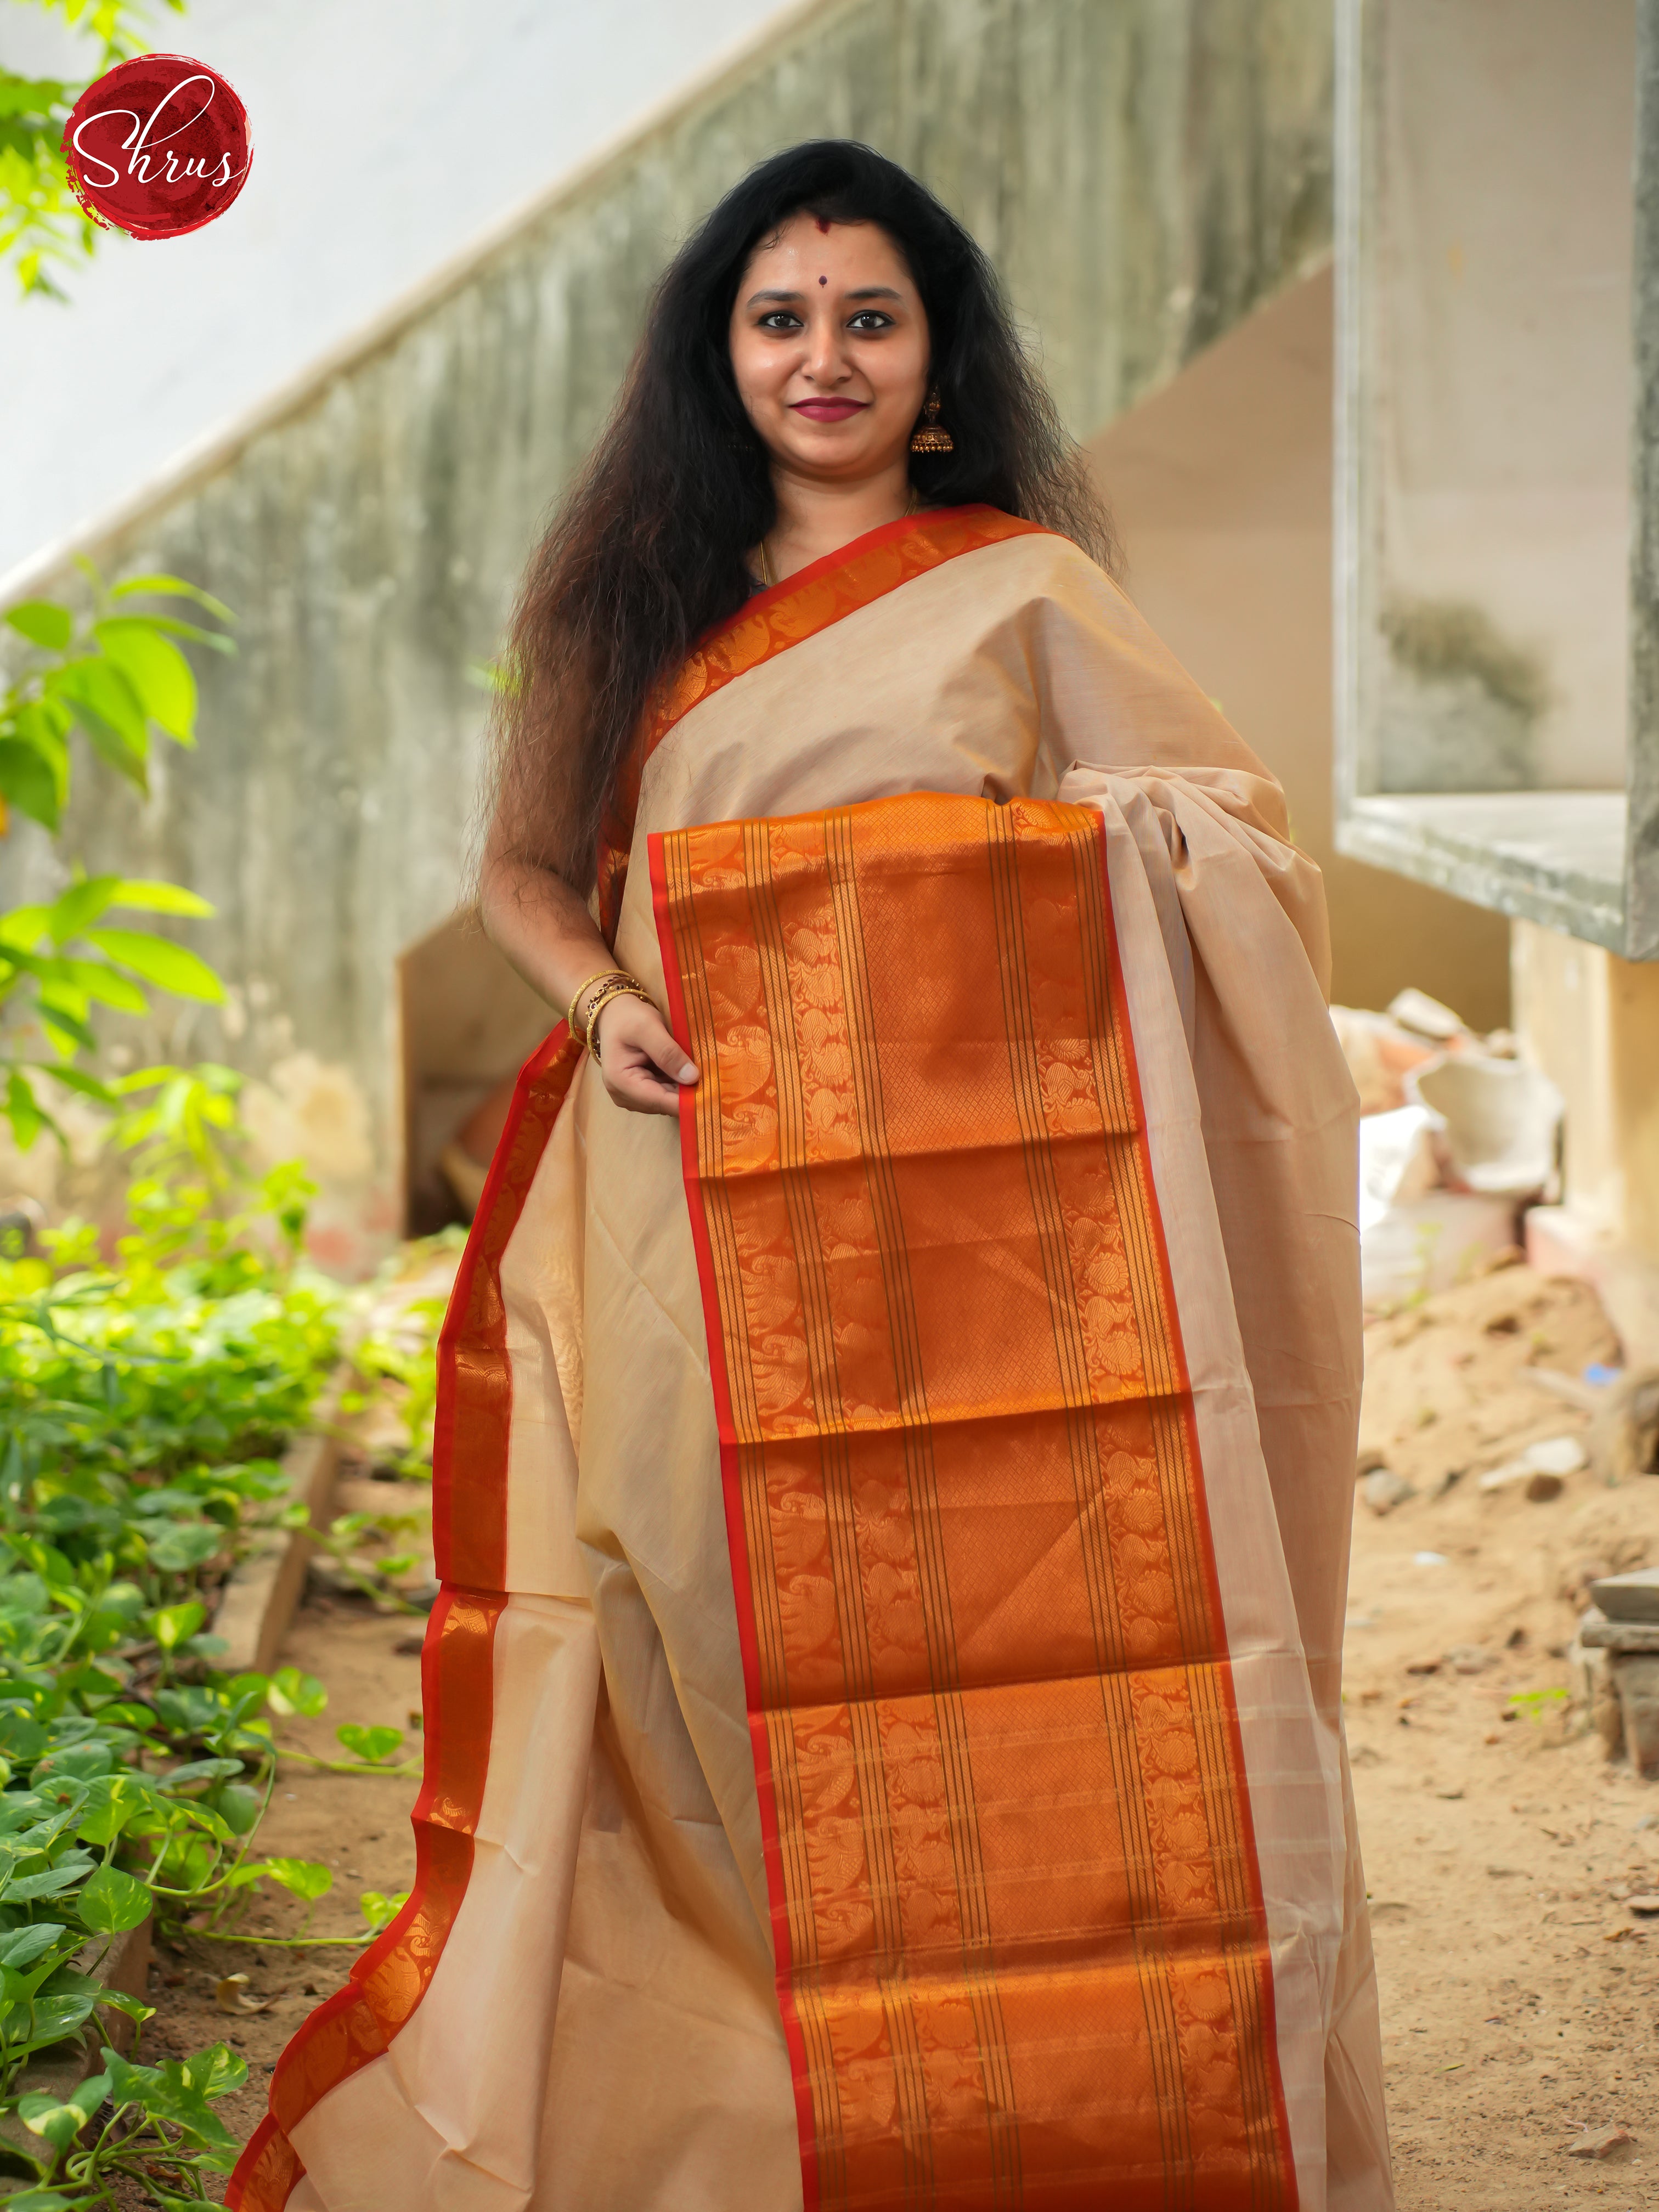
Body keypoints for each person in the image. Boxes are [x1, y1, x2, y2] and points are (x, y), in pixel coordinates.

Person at [231, 140, 1393, 2212]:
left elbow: (1231, 832)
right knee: (702, 1636)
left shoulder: (1022, 585)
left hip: (989, 1226)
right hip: (697, 1195)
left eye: (872, 318)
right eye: (782, 318)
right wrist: (603, 1004)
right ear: (721, 350)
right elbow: (520, 875)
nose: (824, 358)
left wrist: (1084, 854)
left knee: (1012, 1638)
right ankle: (770, 2109)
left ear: (935, 361)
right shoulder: (632, 597)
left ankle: (1040, 2090)